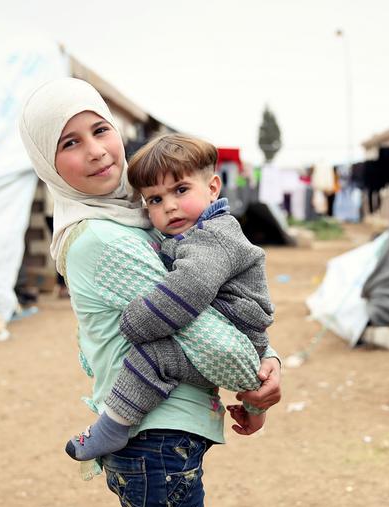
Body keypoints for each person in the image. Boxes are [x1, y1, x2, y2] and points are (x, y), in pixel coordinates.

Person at [18, 78, 281, 507]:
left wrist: (268, 358)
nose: (94, 150)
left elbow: (218, 302)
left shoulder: (139, 223)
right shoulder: (103, 239)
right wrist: (253, 373)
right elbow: (215, 343)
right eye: (68, 143)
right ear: (48, 163)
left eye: (99, 129)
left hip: (157, 441)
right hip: (157, 443)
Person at [64, 133, 274, 461]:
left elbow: (190, 286)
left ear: (213, 188)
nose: (170, 206)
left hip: (237, 326)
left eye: (180, 190)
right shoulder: (191, 232)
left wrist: (136, 322)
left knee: (154, 355)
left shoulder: (214, 236)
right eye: (155, 200)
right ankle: (253, 409)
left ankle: (113, 426)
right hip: (239, 334)